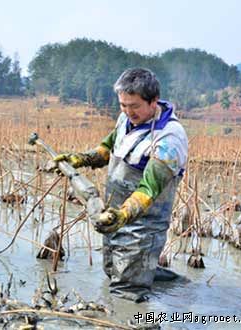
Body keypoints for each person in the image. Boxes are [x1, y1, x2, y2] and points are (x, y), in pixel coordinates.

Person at [54, 68, 188, 302]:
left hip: (142, 226)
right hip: (114, 217)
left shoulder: (169, 139)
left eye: (134, 106)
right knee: (113, 273)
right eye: (123, 105)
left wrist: (124, 215)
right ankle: (158, 278)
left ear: (153, 100)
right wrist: (82, 158)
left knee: (127, 291)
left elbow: (149, 189)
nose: (128, 111)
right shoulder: (126, 119)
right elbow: (108, 146)